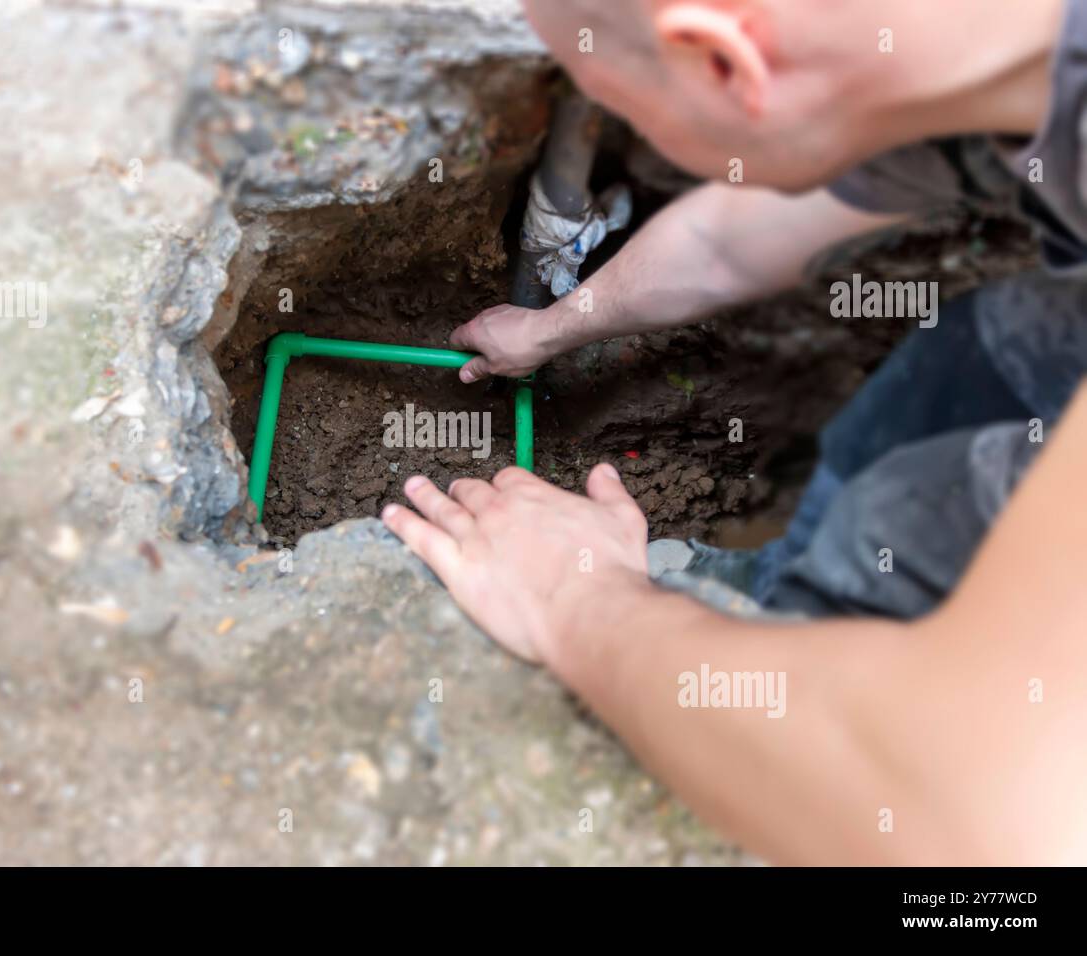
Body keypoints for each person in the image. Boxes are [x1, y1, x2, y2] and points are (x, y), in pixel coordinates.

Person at [380, 0, 1087, 863]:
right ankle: (774, 585)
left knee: (901, 570)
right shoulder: (980, 56)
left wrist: (576, 602)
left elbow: (971, 819)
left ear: (723, 62)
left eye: (630, 108)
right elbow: (728, 238)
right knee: (951, 396)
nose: (633, 138)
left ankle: (801, 625)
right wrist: (551, 327)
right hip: (1049, 354)